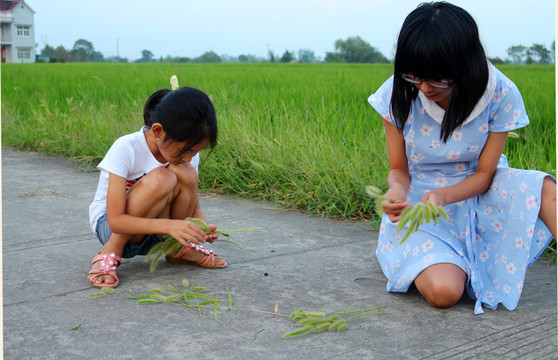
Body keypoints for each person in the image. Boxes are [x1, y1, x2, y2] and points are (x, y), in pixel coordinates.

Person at [368, 1, 556, 314]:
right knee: (445, 292)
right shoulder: (397, 93)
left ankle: (472, 257)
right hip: (423, 206)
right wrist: (397, 193)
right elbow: (399, 168)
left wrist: (445, 195)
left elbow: (485, 175)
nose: (425, 88)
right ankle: (434, 257)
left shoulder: (501, 94)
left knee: (548, 190)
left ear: (464, 66)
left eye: (438, 79)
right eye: (416, 77)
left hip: (480, 191)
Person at [88, 81, 226, 288]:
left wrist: (200, 228)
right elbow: (115, 220)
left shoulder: (186, 157)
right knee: (163, 178)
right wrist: (170, 226)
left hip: (161, 232)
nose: (189, 158)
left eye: (196, 152)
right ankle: (110, 250)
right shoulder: (126, 148)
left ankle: (177, 248)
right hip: (114, 229)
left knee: (186, 174)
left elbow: (195, 208)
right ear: (158, 131)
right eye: (185, 151)